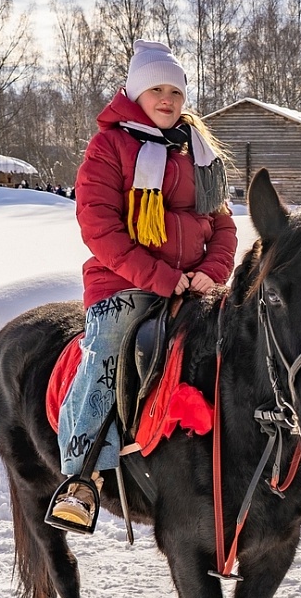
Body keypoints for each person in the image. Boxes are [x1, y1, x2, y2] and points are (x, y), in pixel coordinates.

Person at [48, 40, 236, 531]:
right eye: (157, 88)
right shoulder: (109, 146)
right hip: (125, 286)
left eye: (176, 90)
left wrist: (210, 274)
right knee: (108, 355)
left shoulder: (200, 150)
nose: (168, 99)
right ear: (136, 91)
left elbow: (223, 226)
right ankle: (83, 477)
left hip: (196, 284)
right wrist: (163, 278)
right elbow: (99, 229)